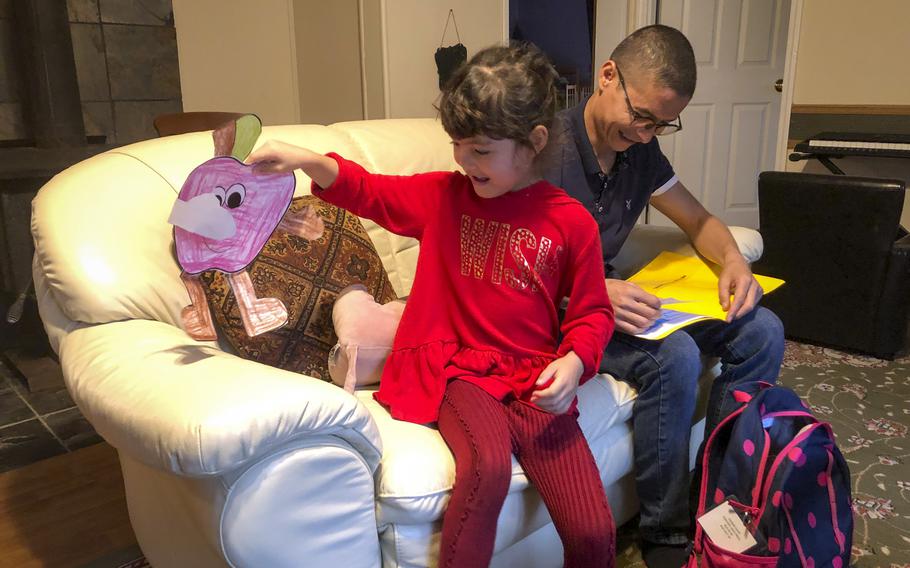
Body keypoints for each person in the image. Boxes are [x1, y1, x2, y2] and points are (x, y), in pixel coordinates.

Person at [246, 43, 617, 568]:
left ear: (534, 142)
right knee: (485, 468)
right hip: (458, 367)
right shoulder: (445, 196)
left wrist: (575, 361)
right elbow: (368, 190)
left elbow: (593, 312)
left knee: (592, 532)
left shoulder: (570, 221)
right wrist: (306, 159)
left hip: (532, 376)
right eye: (457, 145)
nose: (463, 161)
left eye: (481, 150)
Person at [541, 24, 785, 568]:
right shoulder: (543, 146)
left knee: (762, 328)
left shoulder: (639, 154)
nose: (648, 134)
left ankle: (721, 496)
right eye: (642, 116)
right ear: (608, 76)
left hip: (618, 301)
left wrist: (733, 260)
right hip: (557, 312)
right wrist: (593, 289)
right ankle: (666, 531)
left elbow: (699, 220)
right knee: (673, 356)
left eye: (663, 124)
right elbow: (510, 255)